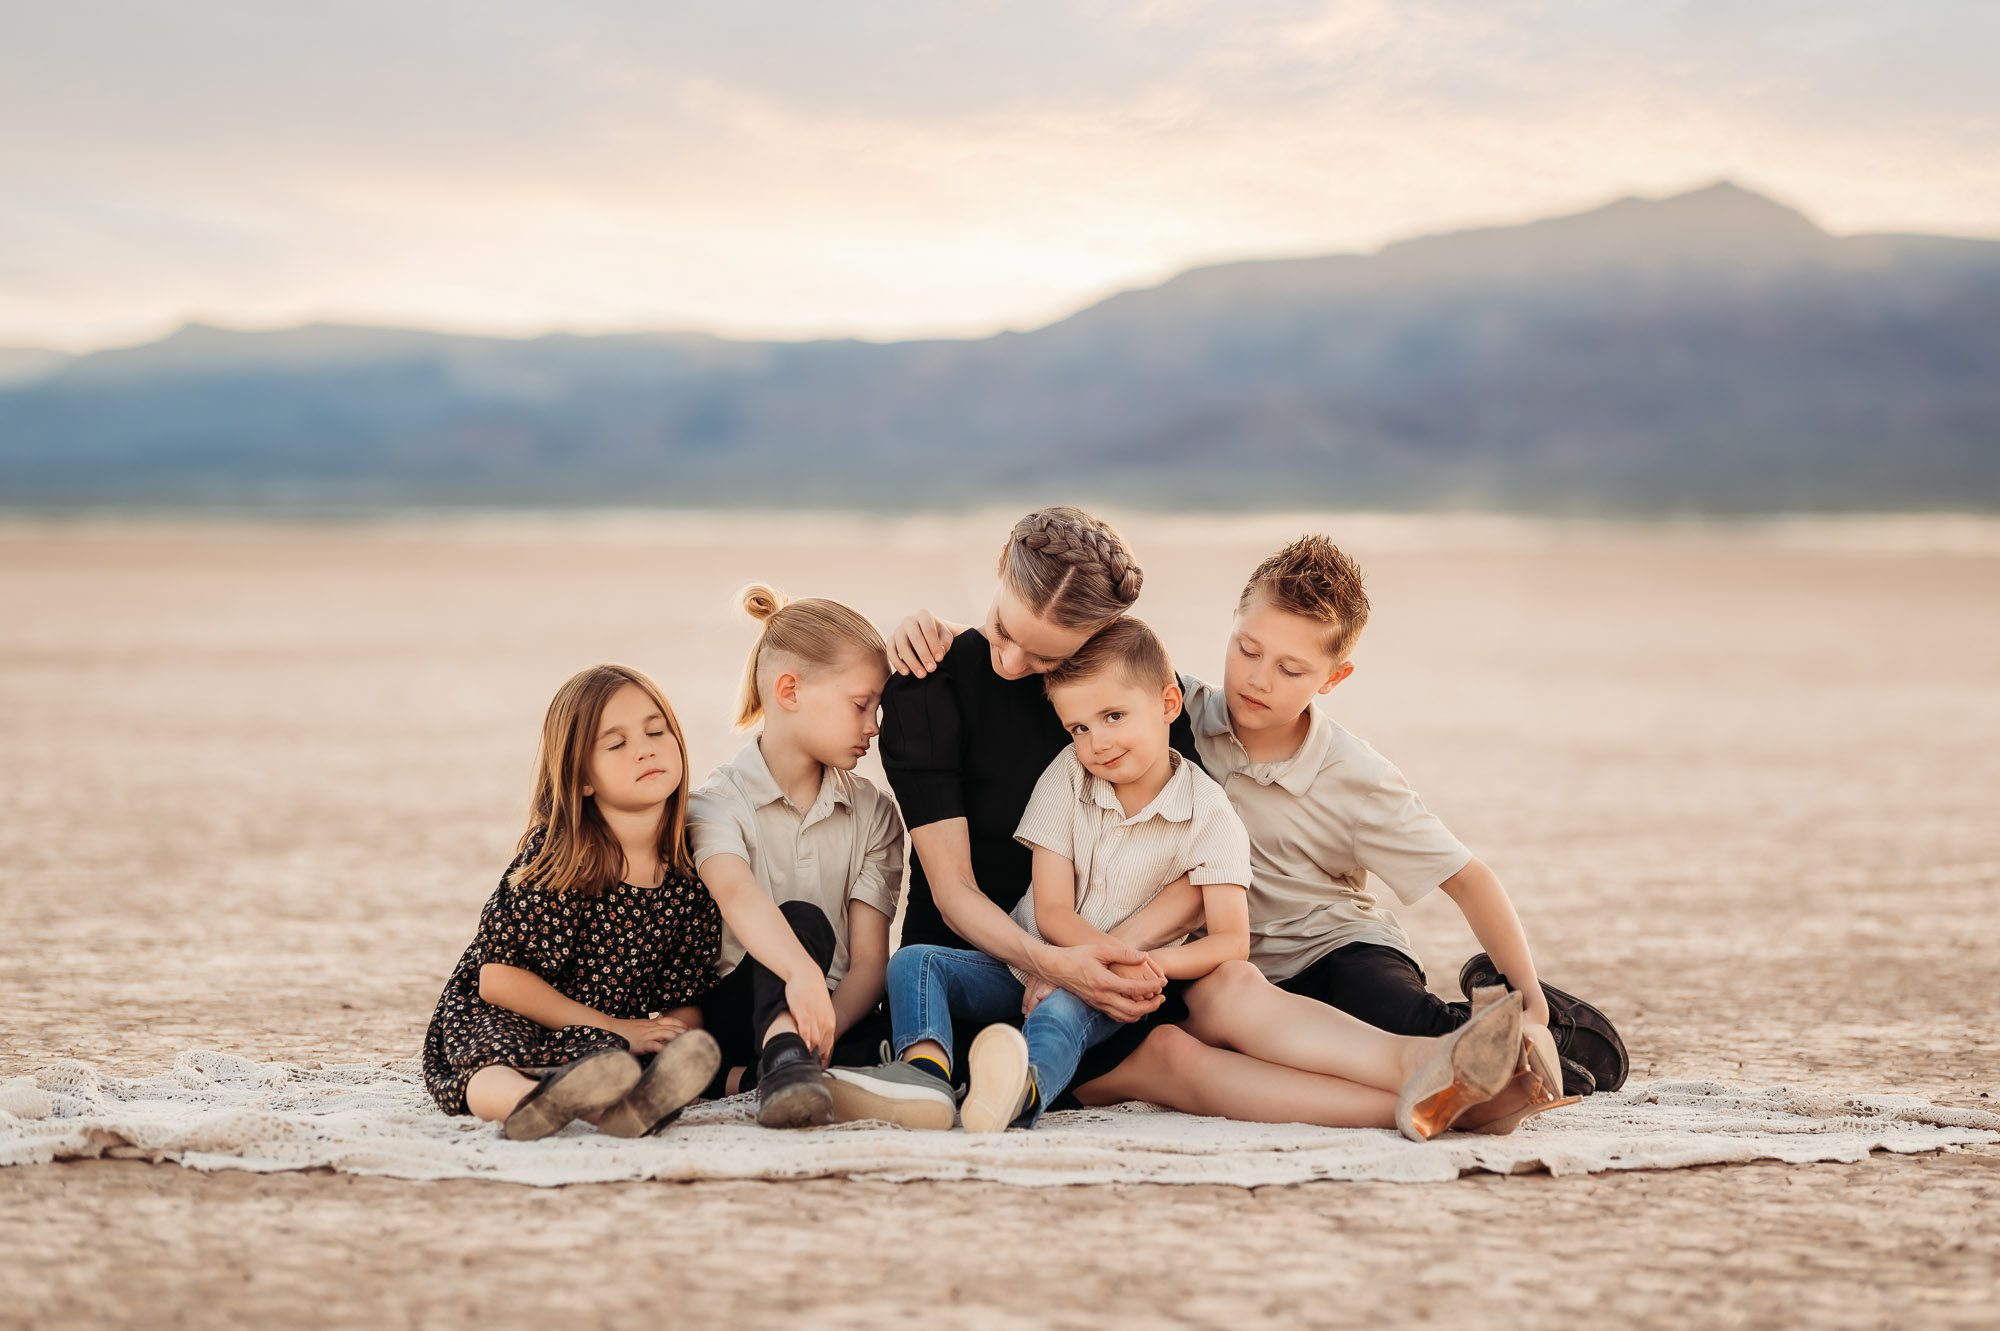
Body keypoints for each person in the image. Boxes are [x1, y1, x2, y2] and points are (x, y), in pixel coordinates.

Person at [872, 510, 1557, 1137]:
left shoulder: (1138, 701)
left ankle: (1433, 1059)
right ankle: (1426, 1101)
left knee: (1242, 989)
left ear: (1103, 638)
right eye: (1005, 629)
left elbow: (1199, 873)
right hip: (1004, 961)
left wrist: (1110, 960)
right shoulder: (932, 686)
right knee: (1175, 1053)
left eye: (1047, 656)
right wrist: (1066, 963)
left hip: (1135, 962)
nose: (1013, 663)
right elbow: (967, 895)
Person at [840, 618, 1255, 1130]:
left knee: (1060, 1012)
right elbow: (1052, 912)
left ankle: (1017, 1093)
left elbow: (1232, 941)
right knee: (912, 963)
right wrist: (1069, 963)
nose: (1097, 742)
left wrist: (1133, 966)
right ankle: (925, 1073)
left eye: (1113, 716)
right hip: (1021, 963)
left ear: (1170, 705)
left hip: (1121, 984)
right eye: (1079, 728)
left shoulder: (1210, 812)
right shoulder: (1067, 775)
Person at [420, 663, 725, 1140]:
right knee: (492, 1058)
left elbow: (684, 993)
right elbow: (497, 980)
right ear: (582, 778)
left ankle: (622, 1108)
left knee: (612, 1060)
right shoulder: (562, 856)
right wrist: (618, 1026)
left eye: (655, 731)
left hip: (594, 1037)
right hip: (503, 1014)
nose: (644, 748)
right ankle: (525, 1104)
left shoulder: (690, 876)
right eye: (617, 743)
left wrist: (668, 1036)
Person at [688, 585, 911, 1128]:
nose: (874, 726)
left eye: (878, 707)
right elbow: (737, 896)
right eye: (861, 704)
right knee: (799, 919)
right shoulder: (715, 804)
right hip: (739, 1005)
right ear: (789, 690)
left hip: (835, 1013)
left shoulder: (874, 813)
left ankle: (762, 1073)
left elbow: (869, 963)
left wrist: (823, 1021)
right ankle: (782, 1060)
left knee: (914, 1040)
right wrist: (800, 977)